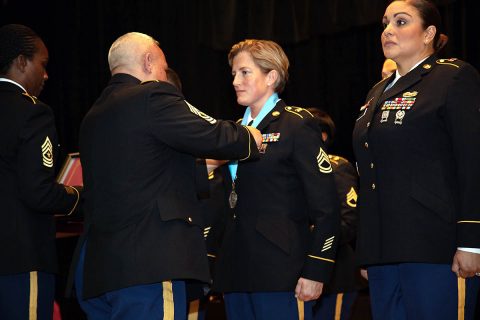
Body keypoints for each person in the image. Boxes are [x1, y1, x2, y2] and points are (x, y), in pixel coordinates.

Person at [72, 32, 262, 320]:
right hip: (149, 262)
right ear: (148, 61)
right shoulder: (152, 94)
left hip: (100, 268)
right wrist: (249, 137)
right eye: (163, 67)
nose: (164, 74)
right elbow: (210, 131)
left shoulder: (93, 115)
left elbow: (144, 168)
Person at [352, 1, 480, 319]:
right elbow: (368, 175)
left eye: (400, 21)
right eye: (385, 23)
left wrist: (472, 241)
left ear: (428, 34)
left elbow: (472, 160)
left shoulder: (452, 77)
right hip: (384, 250)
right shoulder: (376, 92)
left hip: (435, 244)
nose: (388, 30)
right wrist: (368, 250)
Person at [211, 39, 340, 320]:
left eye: (245, 72)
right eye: (233, 74)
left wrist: (317, 268)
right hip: (236, 272)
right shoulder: (233, 132)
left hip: (282, 271)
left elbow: (326, 206)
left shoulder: (297, 124)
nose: (235, 81)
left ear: (271, 76)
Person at [0, 24, 81, 320]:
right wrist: (82, 197)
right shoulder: (32, 112)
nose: (46, 75)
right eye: (42, 65)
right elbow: (39, 192)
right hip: (22, 258)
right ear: (21, 61)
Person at [307, 108, 367, 320]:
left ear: (323, 136)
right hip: (297, 273)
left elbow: (349, 222)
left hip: (334, 275)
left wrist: (309, 237)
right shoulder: (292, 166)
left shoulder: (337, 167)